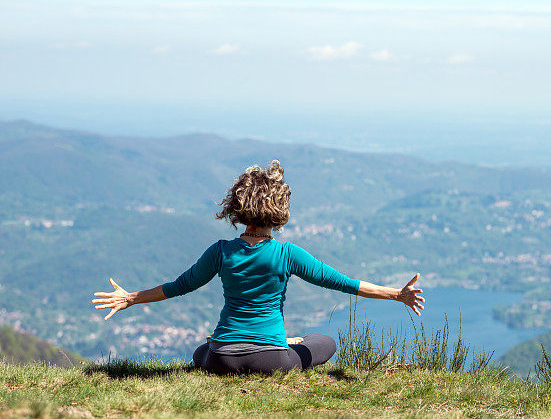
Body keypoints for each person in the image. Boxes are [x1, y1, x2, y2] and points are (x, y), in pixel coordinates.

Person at [92, 160, 425, 375]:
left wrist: (131, 298)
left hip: (221, 357)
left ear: (237, 207)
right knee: (324, 343)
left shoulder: (221, 251)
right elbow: (342, 283)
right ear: (280, 208)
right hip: (272, 359)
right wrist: (397, 294)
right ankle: (284, 342)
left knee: (200, 352)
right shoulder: (287, 253)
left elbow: (179, 286)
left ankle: (225, 345)